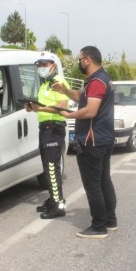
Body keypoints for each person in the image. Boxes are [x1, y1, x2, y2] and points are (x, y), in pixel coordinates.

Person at [53, 46, 117, 239]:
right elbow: (82, 98)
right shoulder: (100, 78)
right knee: (104, 181)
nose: (79, 62)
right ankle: (110, 220)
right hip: (103, 139)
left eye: (80, 59)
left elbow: (90, 111)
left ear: (88, 59)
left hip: (92, 141)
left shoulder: (97, 81)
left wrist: (69, 114)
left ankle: (98, 226)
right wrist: (64, 90)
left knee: (93, 186)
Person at [25, 52, 69, 219]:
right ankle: (53, 199)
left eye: (44, 64)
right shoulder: (44, 85)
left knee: (52, 167)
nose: (41, 68)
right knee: (47, 167)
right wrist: (31, 107)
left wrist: (40, 108)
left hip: (54, 129)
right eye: (39, 65)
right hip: (44, 129)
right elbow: (41, 106)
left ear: (53, 65)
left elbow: (62, 106)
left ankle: (59, 205)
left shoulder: (59, 83)